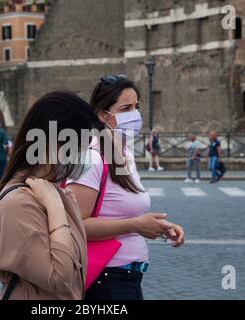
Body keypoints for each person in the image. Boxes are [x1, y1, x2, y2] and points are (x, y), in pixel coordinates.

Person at [66, 75, 185, 300]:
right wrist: (136, 225)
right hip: (105, 280)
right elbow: (75, 225)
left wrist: (159, 226)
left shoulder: (125, 155)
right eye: (126, 108)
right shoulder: (90, 158)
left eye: (137, 107)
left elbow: (124, 212)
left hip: (129, 278)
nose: (135, 115)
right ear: (102, 115)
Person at [0, 91, 97, 299]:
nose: (85, 156)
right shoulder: (19, 203)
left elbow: (78, 266)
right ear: (50, 143)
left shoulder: (53, 191)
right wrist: (56, 207)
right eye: (80, 146)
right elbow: (61, 277)